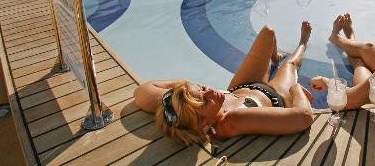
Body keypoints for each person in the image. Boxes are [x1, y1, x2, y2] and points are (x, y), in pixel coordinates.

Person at [134, 22, 314, 145]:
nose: (211, 90)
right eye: (205, 100)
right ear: (200, 123)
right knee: (291, 64)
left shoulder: (176, 109)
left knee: (268, 32)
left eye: (203, 88)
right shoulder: (231, 122)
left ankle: (274, 58)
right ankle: (303, 42)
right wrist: (296, 89)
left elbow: (142, 92)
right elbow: (303, 116)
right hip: (275, 94)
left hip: (241, 87)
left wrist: (182, 87)